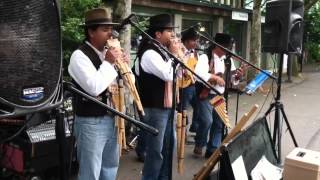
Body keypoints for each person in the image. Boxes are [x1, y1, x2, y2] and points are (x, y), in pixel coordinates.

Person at [68, 7, 127, 180]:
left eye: (111, 29)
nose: (111, 34)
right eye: (105, 29)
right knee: (90, 173)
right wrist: (109, 63)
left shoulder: (106, 53)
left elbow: (120, 86)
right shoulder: (79, 56)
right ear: (91, 32)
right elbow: (94, 87)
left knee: (110, 168)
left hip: (113, 118)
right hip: (91, 122)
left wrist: (124, 69)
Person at [135, 14, 177, 180]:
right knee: (156, 151)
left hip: (166, 107)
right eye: (169, 31)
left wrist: (178, 57)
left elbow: (176, 75)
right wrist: (174, 56)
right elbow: (167, 74)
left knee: (168, 147)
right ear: (158, 34)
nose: (172, 34)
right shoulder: (149, 54)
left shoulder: (162, 52)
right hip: (154, 109)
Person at [193, 33, 243, 158]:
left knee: (219, 123)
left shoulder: (228, 59)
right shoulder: (205, 57)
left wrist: (237, 77)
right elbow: (197, 74)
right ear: (218, 46)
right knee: (206, 121)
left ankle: (212, 149)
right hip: (206, 94)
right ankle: (199, 143)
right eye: (226, 47)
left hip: (220, 95)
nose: (228, 51)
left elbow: (231, 80)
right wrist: (215, 77)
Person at [178, 28, 200, 133]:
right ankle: (183, 131)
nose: (196, 43)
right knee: (183, 109)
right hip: (183, 85)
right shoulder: (179, 51)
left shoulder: (195, 53)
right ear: (186, 41)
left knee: (199, 106)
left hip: (193, 84)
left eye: (196, 40)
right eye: (193, 40)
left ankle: (194, 127)